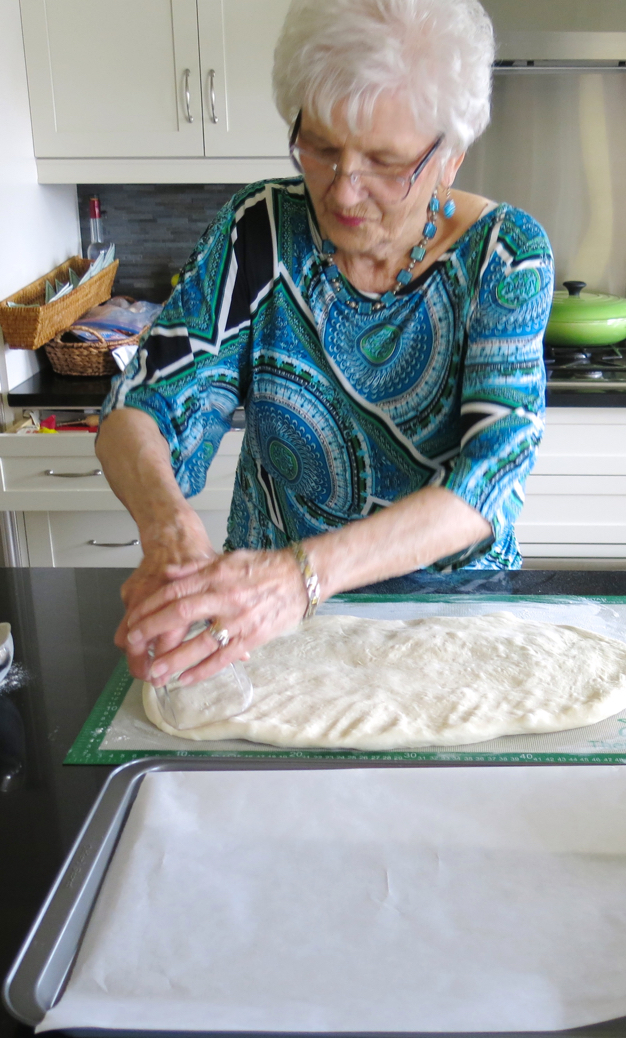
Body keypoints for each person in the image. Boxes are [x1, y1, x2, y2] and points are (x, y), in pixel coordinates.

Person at [96, 0, 554, 690]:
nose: (343, 189)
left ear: (449, 158)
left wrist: (302, 576)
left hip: (446, 624)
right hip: (263, 625)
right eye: (322, 147)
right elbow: (141, 405)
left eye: (384, 161)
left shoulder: (506, 258)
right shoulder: (261, 230)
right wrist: (167, 528)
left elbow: (488, 481)